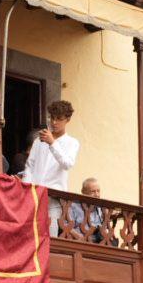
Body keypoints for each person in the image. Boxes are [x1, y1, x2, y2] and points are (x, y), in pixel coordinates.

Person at [21, 100, 80, 234]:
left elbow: (67, 164)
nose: (54, 122)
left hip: (53, 199)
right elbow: (30, 166)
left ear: (68, 119)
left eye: (59, 119)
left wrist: (52, 143)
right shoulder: (38, 140)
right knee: (28, 235)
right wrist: (26, 188)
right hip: (34, 195)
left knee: (49, 237)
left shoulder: (72, 143)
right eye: (52, 118)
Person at [64, 177, 110, 243]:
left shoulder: (100, 208)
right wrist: (77, 236)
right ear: (83, 192)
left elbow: (103, 230)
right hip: (79, 241)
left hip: (96, 242)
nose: (97, 195)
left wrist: (106, 216)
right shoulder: (73, 206)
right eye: (93, 191)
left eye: (98, 191)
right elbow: (65, 224)